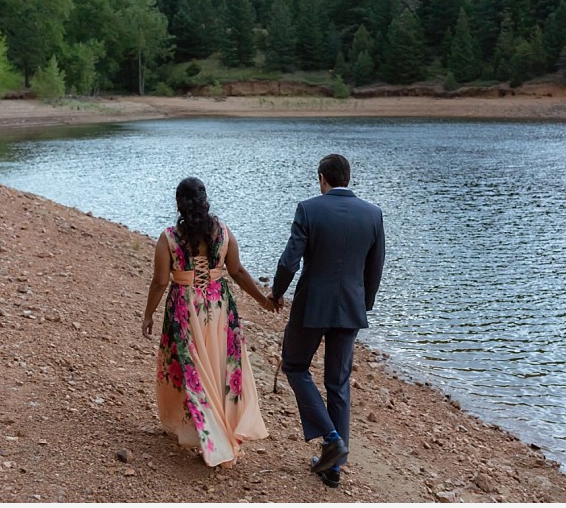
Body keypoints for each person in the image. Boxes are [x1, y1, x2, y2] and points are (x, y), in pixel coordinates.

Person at [142, 177, 278, 468]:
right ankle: (220, 429)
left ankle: (206, 434)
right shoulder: (223, 232)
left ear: (179, 204)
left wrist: (148, 313)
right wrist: (263, 301)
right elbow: (238, 271)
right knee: (218, 368)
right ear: (205, 202)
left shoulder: (169, 237)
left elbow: (160, 281)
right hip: (219, 307)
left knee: (193, 371)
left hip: (184, 308)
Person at [270, 154, 385, 489]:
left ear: (322, 178)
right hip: (350, 308)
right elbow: (374, 267)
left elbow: (290, 261)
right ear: (347, 178)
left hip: (311, 307)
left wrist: (276, 294)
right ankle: (334, 469)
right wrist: (364, 305)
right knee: (338, 384)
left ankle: (332, 439)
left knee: (294, 366)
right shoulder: (373, 214)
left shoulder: (309, 208)